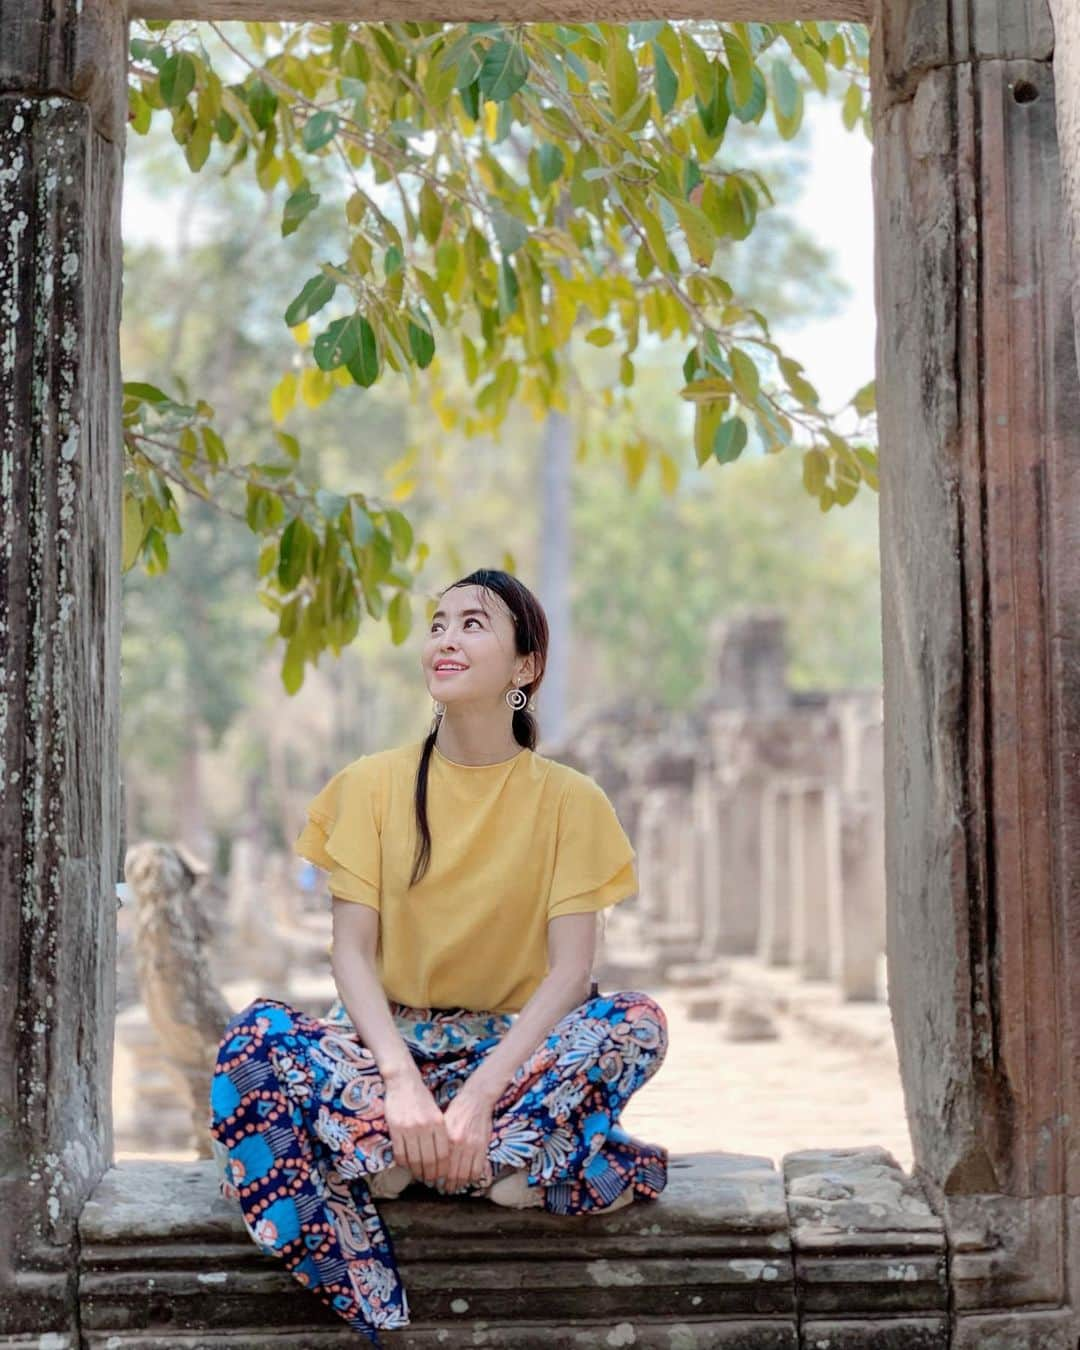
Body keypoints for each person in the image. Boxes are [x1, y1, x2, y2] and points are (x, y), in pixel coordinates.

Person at [208, 568, 670, 1346]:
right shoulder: (371, 786)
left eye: (473, 624)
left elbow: (569, 975)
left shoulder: (570, 801)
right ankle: (494, 1167)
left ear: (525, 668)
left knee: (636, 1022)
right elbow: (350, 953)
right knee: (254, 1041)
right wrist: (398, 1084)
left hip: (516, 1058)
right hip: (390, 1053)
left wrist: (481, 1096)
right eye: (437, 624)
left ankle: (405, 1158)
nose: (445, 639)